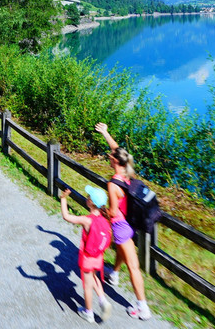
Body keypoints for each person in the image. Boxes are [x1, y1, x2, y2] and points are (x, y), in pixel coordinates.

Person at [95, 122, 152, 320]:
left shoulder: (112, 184)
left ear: (115, 162)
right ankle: (114, 274)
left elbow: (113, 211)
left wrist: (101, 211)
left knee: (134, 267)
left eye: (110, 157)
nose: (109, 157)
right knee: (121, 249)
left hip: (121, 226)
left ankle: (142, 306)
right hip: (131, 222)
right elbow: (117, 149)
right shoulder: (128, 172)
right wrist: (105, 133)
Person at [60, 186, 114, 323]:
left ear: (91, 203)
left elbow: (66, 216)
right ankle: (103, 300)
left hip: (88, 258)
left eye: (88, 197)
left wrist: (63, 199)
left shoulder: (87, 220)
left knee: (87, 286)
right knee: (94, 277)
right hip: (99, 257)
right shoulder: (105, 218)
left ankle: (88, 312)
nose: (86, 197)